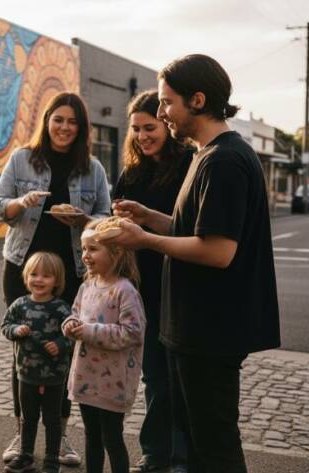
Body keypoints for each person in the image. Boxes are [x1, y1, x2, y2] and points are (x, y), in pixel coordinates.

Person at [110, 54, 281, 473]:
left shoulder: (223, 160)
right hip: (196, 327)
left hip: (211, 329)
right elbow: (197, 229)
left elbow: (218, 251)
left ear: (198, 100)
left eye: (168, 103)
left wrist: (144, 238)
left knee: (214, 446)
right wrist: (153, 218)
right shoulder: (207, 155)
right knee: (200, 440)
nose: (162, 112)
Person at [0, 92, 111, 466]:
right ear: (47, 121)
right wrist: (20, 204)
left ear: (81, 128)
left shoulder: (93, 168)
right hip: (22, 267)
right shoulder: (22, 159)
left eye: (72, 122)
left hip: (73, 271)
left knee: (68, 349)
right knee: (23, 348)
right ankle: (22, 432)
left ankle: (60, 435)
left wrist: (84, 221)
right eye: (58, 119)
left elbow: (106, 217)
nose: (65, 127)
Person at [111, 90, 192, 473]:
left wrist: (144, 220)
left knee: (180, 377)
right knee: (156, 376)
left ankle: (179, 456)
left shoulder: (191, 165)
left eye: (150, 127)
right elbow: (116, 222)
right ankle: (155, 453)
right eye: (136, 129)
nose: (142, 136)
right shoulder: (131, 171)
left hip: (181, 282)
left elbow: (193, 228)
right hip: (141, 286)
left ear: (167, 125)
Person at [61, 220, 145, 473]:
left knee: (112, 438)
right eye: (84, 249)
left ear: (116, 252)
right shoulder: (86, 286)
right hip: (86, 377)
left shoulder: (125, 291)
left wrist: (87, 331)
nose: (85, 255)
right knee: (91, 436)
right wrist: (69, 324)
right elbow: (74, 313)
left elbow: (133, 332)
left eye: (92, 249)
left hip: (113, 383)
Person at [0, 251, 72, 473]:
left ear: (57, 281)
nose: (39, 280)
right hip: (26, 374)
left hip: (54, 375)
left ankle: (51, 459)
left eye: (47, 276)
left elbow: (72, 333)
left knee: (51, 419)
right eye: (34, 274)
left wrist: (60, 344)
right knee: (28, 417)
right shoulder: (20, 305)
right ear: (26, 276)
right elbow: (5, 325)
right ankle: (26, 455)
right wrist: (15, 330)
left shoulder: (61, 308)